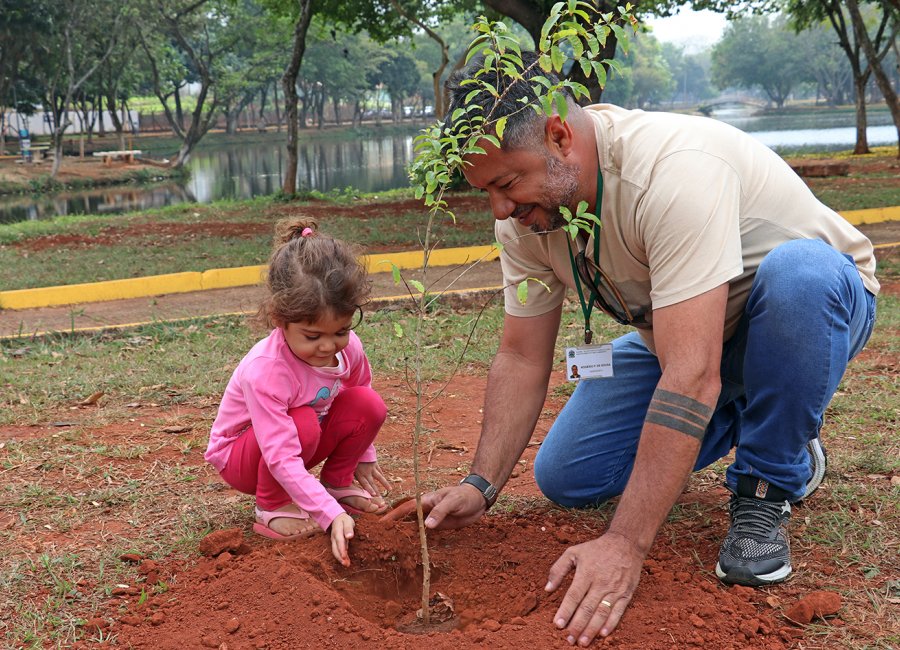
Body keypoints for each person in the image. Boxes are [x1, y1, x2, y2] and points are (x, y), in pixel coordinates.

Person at [421, 52, 878, 646]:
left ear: (559, 136)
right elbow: (522, 355)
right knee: (569, 475)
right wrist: (480, 484)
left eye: (507, 185)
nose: (500, 209)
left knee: (801, 276)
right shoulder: (529, 219)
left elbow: (691, 376)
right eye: (487, 191)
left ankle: (770, 475)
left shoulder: (673, 170)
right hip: (680, 340)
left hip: (806, 313)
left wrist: (624, 543)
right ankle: (776, 422)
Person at [205, 218, 391, 567]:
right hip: (244, 457)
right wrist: (328, 514)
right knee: (302, 420)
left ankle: (336, 484)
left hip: (300, 438)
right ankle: (271, 505)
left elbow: (360, 392)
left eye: (340, 331)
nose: (327, 346)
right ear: (280, 319)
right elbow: (279, 453)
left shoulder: (348, 350)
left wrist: (363, 454)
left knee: (368, 403)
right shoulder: (267, 370)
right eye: (312, 336)